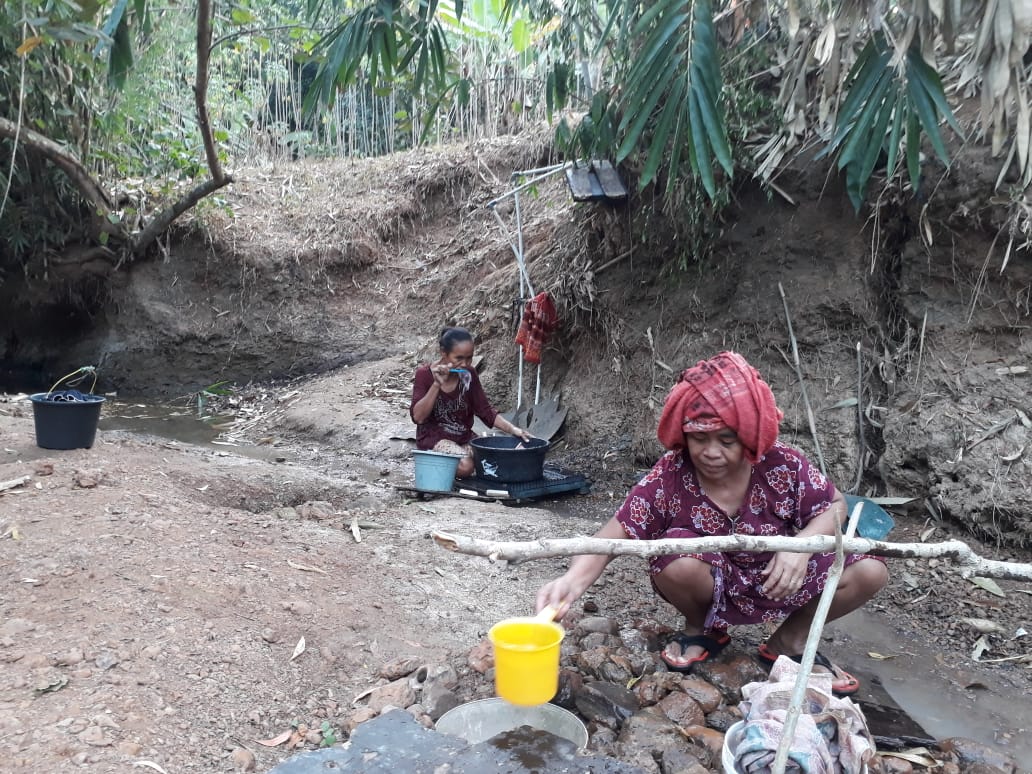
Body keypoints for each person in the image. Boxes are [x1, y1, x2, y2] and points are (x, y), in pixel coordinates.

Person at [535, 351, 887, 696]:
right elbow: (613, 536)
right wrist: (570, 581)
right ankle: (702, 629)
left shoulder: (783, 464)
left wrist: (801, 547)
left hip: (779, 575)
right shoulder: (671, 475)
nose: (711, 452)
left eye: (727, 440)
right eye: (699, 439)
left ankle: (789, 642)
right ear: (684, 436)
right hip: (708, 577)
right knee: (675, 562)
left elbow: (837, 506)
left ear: (748, 438)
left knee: (869, 569)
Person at [410, 326, 532, 478]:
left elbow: (485, 410)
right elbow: (418, 417)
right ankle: (431, 463)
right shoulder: (425, 375)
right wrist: (437, 384)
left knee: (503, 454)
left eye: (469, 358)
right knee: (466, 466)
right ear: (443, 353)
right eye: (458, 358)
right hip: (435, 439)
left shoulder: (469, 373)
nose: (465, 364)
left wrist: (514, 430)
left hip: (463, 438)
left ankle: (458, 466)